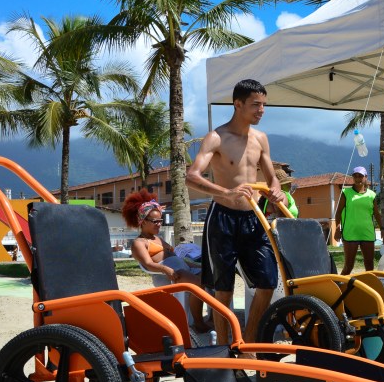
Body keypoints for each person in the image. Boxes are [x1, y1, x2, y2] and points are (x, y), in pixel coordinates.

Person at [186, 78, 284, 345]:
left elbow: (272, 177)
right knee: (223, 287)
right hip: (223, 219)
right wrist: (225, 192)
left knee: (267, 282)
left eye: (264, 105)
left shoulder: (261, 138)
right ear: (237, 104)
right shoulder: (216, 137)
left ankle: (249, 342)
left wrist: (276, 190)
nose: (261, 110)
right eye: (255, 105)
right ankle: (223, 346)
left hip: (253, 218)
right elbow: (191, 177)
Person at [122, 189, 205, 328]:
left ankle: (212, 319)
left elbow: (175, 257)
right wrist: (165, 268)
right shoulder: (139, 243)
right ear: (142, 221)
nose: (159, 224)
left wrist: (193, 266)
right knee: (199, 285)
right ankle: (198, 322)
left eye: (160, 220)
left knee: (211, 279)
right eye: (155, 221)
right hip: (169, 276)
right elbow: (148, 263)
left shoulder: (158, 239)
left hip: (181, 271)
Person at [333, 166, 384, 275]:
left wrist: (382, 229)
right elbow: (338, 212)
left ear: (365, 177)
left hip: (367, 233)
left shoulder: (372, 195)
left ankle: (369, 289)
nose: (357, 178)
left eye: (360, 176)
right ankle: (340, 288)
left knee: (369, 264)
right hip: (350, 233)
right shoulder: (346, 193)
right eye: (355, 176)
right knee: (349, 265)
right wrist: (337, 228)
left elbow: (376, 214)